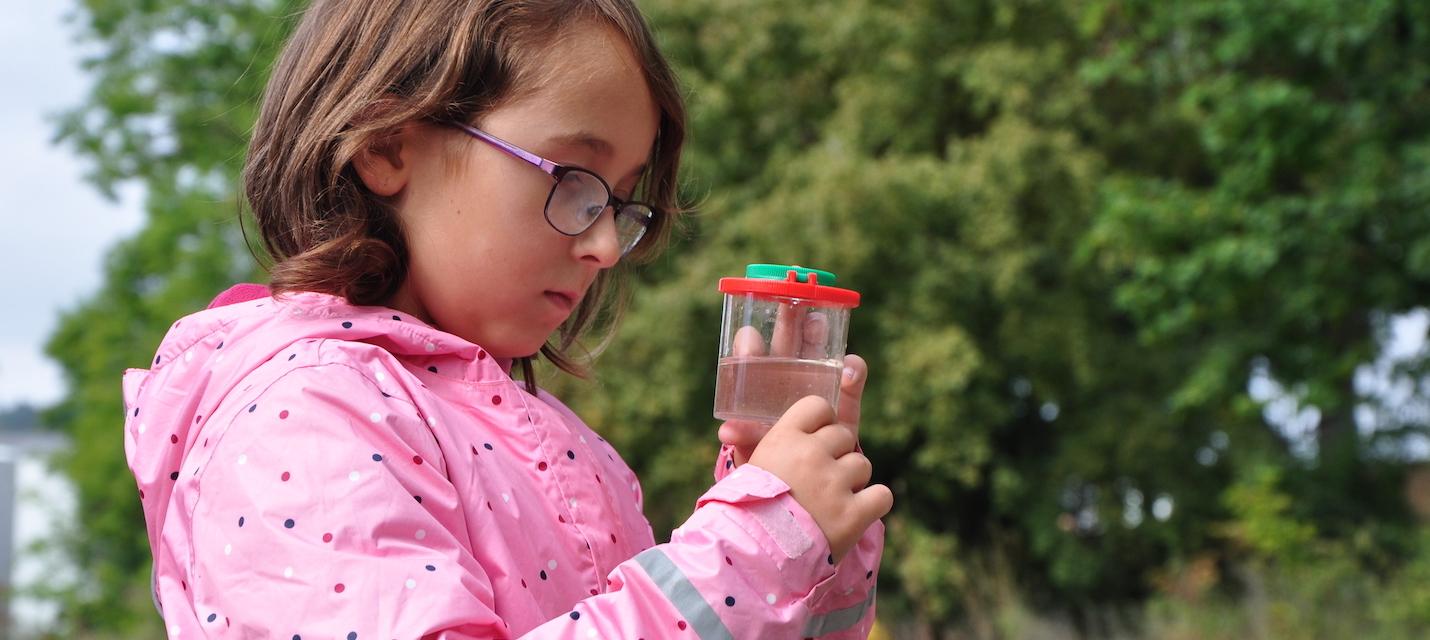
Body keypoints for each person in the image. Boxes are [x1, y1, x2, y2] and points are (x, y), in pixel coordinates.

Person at [121, 0, 891, 637]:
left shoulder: (560, 442)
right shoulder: (305, 414)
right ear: (388, 144)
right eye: (575, 180)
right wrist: (753, 550)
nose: (602, 246)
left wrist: (812, 543)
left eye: (618, 203)